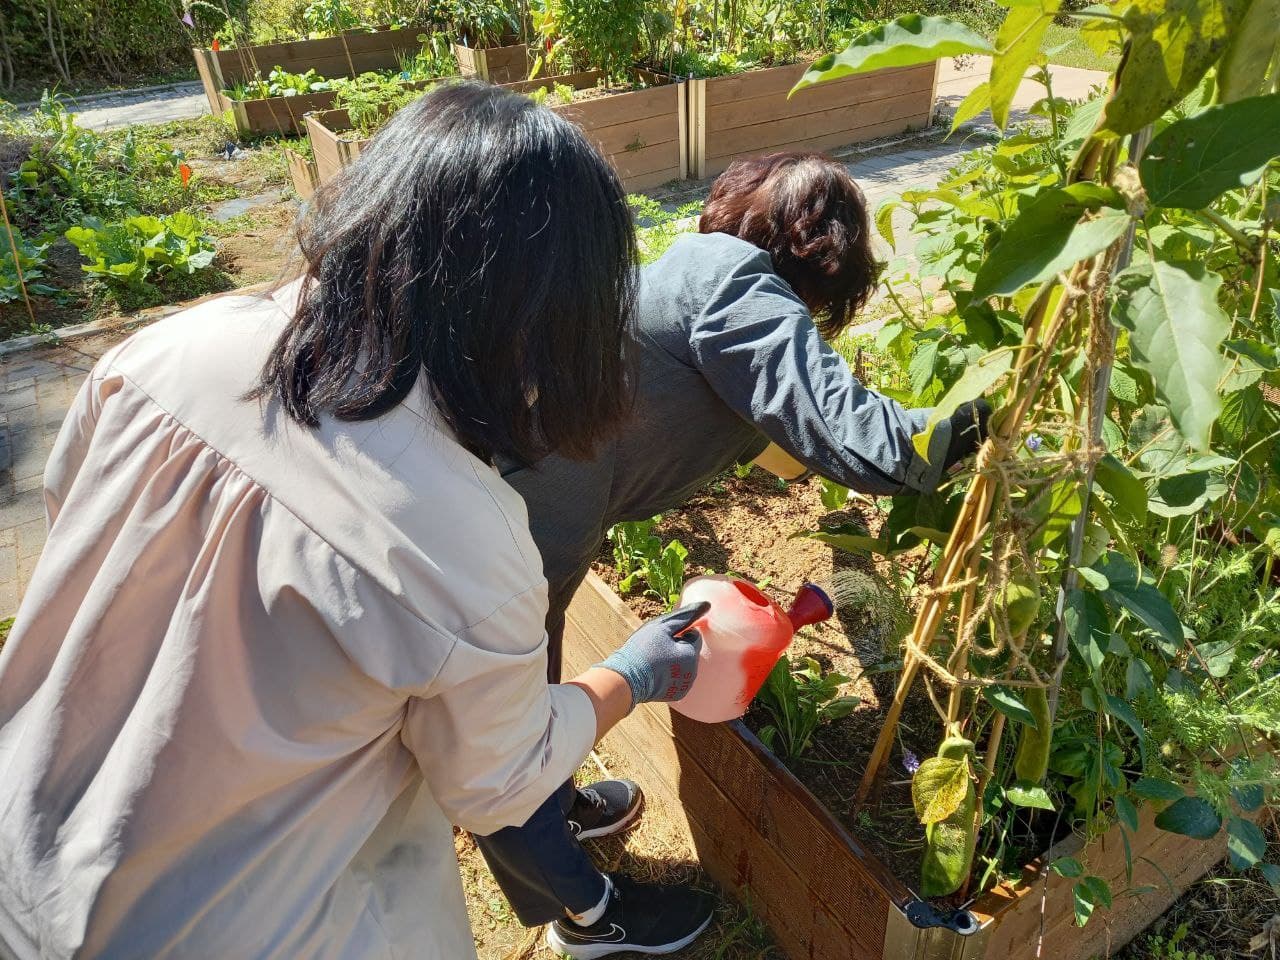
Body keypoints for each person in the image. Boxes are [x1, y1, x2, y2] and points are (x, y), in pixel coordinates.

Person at [0, 82, 717, 960]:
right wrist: (631, 677)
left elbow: (69, 512)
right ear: (544, 314)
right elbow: (500, 783)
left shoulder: (168, 349)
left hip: (20, 849)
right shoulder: (460, 529)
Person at [479, 151, 990, 958]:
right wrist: (996, 402)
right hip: (514, 524)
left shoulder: (696, 270)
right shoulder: (736, 282)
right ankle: (586, 916)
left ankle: (557, 802)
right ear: (820, 255)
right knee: (498, 720)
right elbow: (873, 446)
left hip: (528, 503)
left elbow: (780, 443)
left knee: (518, 688)